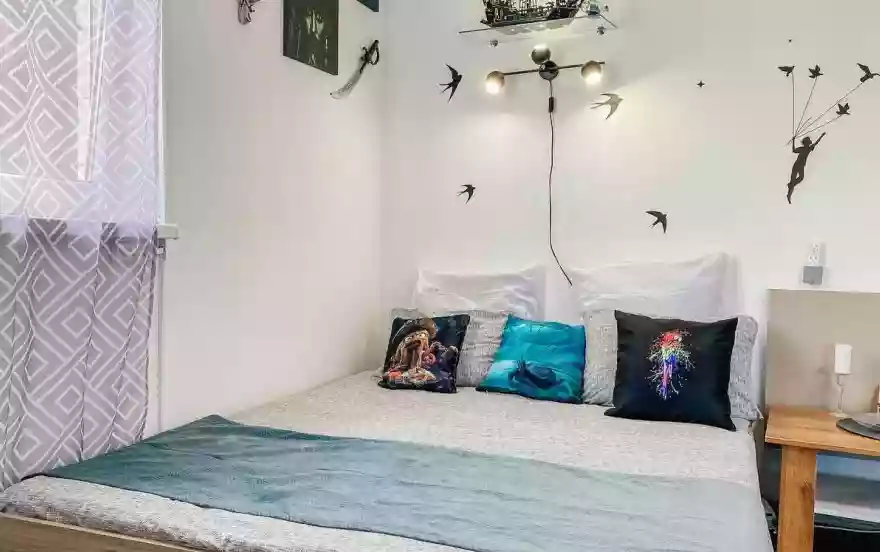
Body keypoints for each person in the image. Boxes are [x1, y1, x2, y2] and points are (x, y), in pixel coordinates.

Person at [787, 133, 827, 204]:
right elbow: (794, 150)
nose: (808, 144)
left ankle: (790, 189)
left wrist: (821, 136)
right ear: (806, 143)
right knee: (797, 179)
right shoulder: (805, 148)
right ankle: (789, 194)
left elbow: (816, 143)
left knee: (797, 179)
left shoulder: (808, 148)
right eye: (807, 143)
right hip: (798, 165)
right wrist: (793, 140)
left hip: (800, 165)